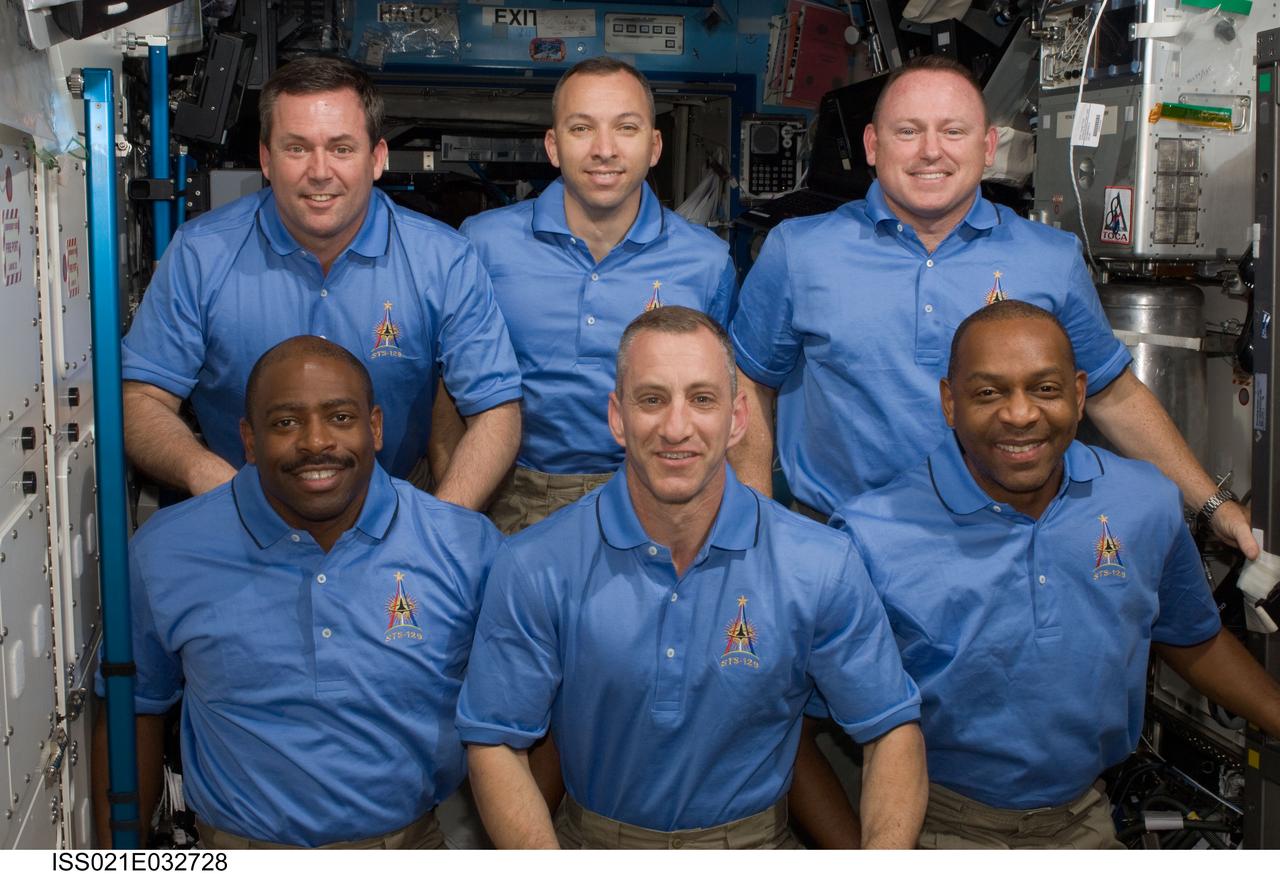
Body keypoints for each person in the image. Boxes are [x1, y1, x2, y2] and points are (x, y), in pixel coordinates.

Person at [729, 54, 1256, 561]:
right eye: (907, 131)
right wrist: (758, 525)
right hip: (840, 547)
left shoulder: (1050, 258)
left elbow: (1111, 394)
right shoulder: (799, 251)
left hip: (1006, 552)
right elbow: (750, 383)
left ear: (987, 147)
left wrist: (1213, 507)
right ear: (872, 144)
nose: (930, 151)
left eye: (953, 132)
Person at [457, 306, 926, 849]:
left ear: (737, 419)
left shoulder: (821, 563)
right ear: (617, 416)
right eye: (652, 399)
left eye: (702, 399)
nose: (676, 427)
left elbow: (890, 728)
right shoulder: (535, 563)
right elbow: (493, 741)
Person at [830, 301, 1280, 848]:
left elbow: (1189, 637)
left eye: (1045, 389)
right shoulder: (871, 535)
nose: (1020, 415)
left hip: (1086, 817)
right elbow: (795, 730)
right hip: (933, 823)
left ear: (1080, 393)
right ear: (949, 402)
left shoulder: (1144, 502)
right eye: (988, 392)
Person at [92, 336, 502, 848]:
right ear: (248, 438)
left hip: (413, 842)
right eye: (285, 422)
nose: (315, 442)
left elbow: (514, 722)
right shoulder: (167, 551)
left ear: (375, 427)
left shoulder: (465, 547)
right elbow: (136, 707)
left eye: (340, 417)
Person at [121, 56, 522, 509]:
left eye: (342, 148)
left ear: (377, 158)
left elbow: (497, 411)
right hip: (240, 506)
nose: (319, 171)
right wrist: (209, 478)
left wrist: (444, 525)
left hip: (396, 502)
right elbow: (142, 401)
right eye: (297, 148)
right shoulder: (201, 254)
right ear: (266, 159)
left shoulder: (442, 260)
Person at [436, 56, 736, 533]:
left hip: (653, 496)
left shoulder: (707, 261)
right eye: (581, 129)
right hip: (511, 494)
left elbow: (721, 400)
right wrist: (447, 518)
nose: (604, 150)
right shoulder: (482, 244)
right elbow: (449, 395)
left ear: (654, 146)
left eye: (626, 128)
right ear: (553, 146)